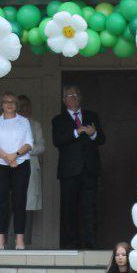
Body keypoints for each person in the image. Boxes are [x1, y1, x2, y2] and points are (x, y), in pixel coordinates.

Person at [52, 85, 106, 249]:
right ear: (64, 100)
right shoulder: (58, 120)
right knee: (69, 208)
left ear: (80, 98)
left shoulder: (92, 116)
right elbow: (58, 141)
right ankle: (70, 243)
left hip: (89, 169)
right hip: (69, 171)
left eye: (76, 95)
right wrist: (77, 131)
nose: (73, 98)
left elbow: (102, 139)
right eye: (69, 95)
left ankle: (90, 243)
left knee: (89, 208)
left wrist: (93, 134)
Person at [0, 92, 34, 251]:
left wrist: (15, 156)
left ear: (17, 105)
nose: (9, 104)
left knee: (19, 200)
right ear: (1, 105)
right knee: (1, 201)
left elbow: (29, 143)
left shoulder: (24, 121)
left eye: (13, 102)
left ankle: (19, 239)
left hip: (20, 163)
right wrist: (7, 158)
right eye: (6, 101)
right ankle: (0, 239)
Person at [18, 95, 44, 238]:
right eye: (21, 106)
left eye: (26, 105)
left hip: (31, 167)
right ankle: (7, 244)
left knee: (28, 207)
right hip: (13, 167)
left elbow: (41, 147)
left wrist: (26, 148)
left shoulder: (36, 125)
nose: (24, 109)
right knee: (12, 206)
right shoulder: (10, 125)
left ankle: (25, 244)